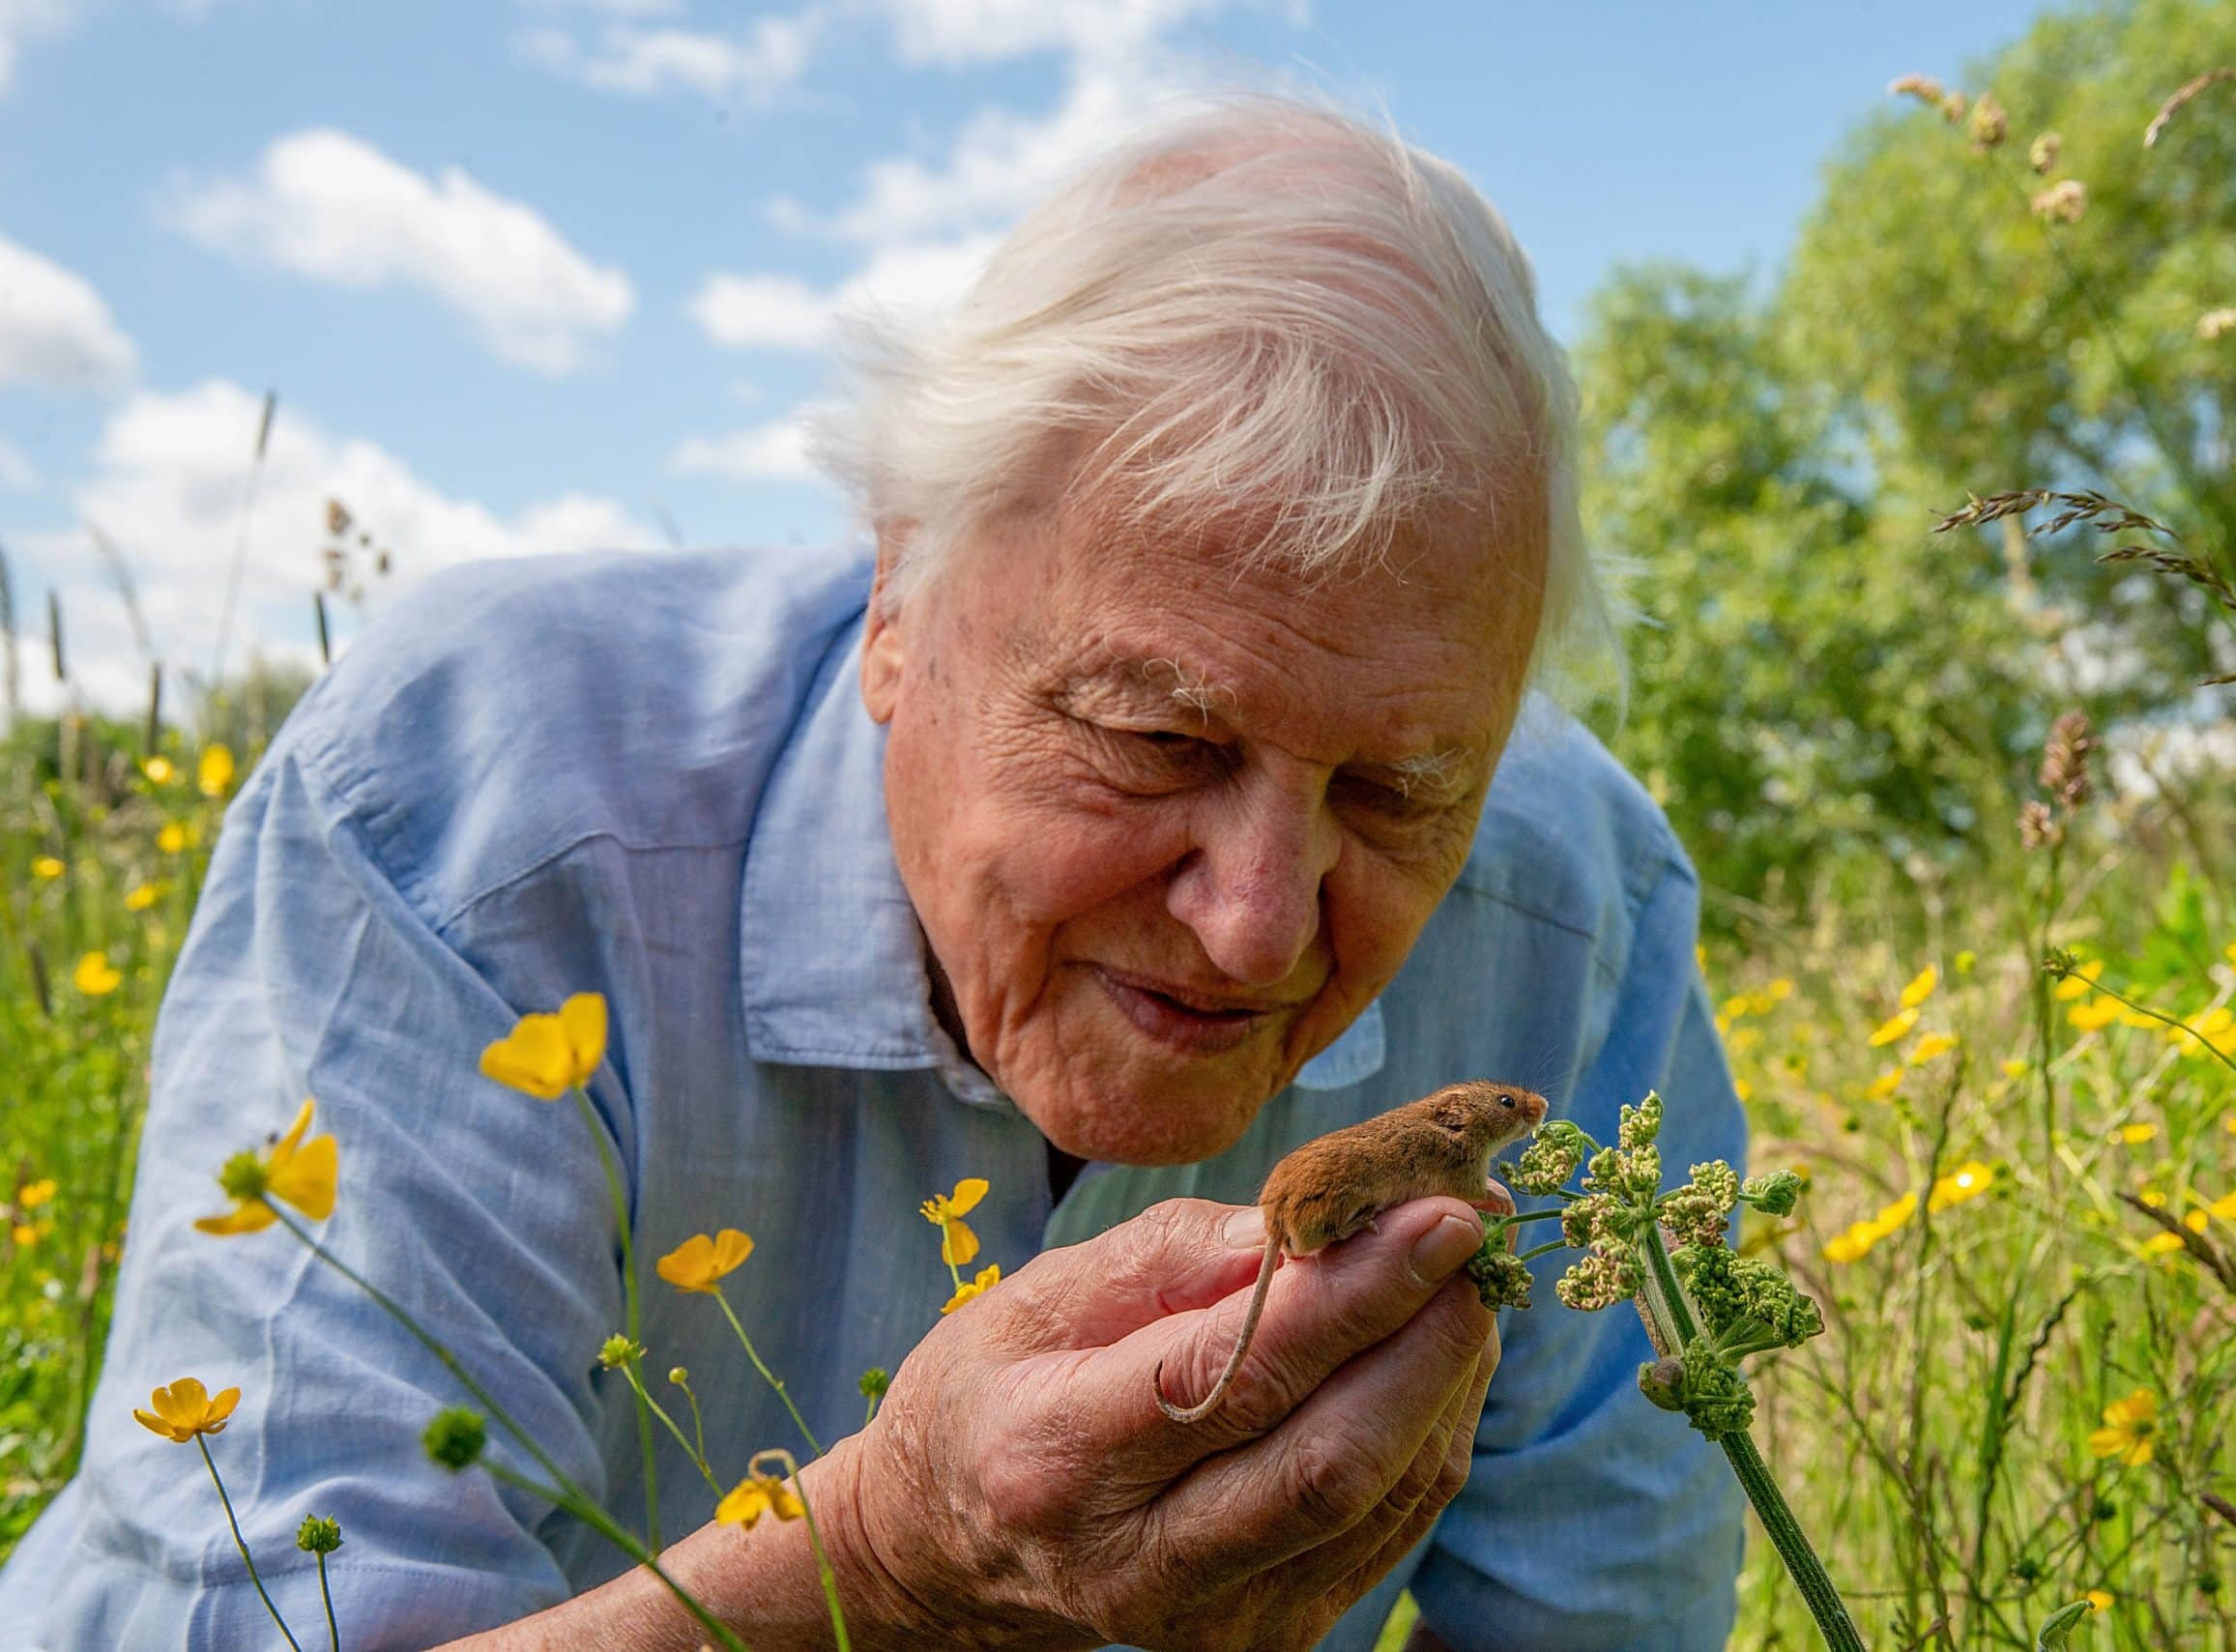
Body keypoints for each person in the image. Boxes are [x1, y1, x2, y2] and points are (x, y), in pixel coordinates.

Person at [1, 94, 1746, 1650]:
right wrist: (894, 1579)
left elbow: (1606, 1604)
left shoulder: (1573, 899)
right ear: (901, 593)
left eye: (1396, 791)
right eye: (1156, 739)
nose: (1258, 923)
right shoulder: (472, 807)